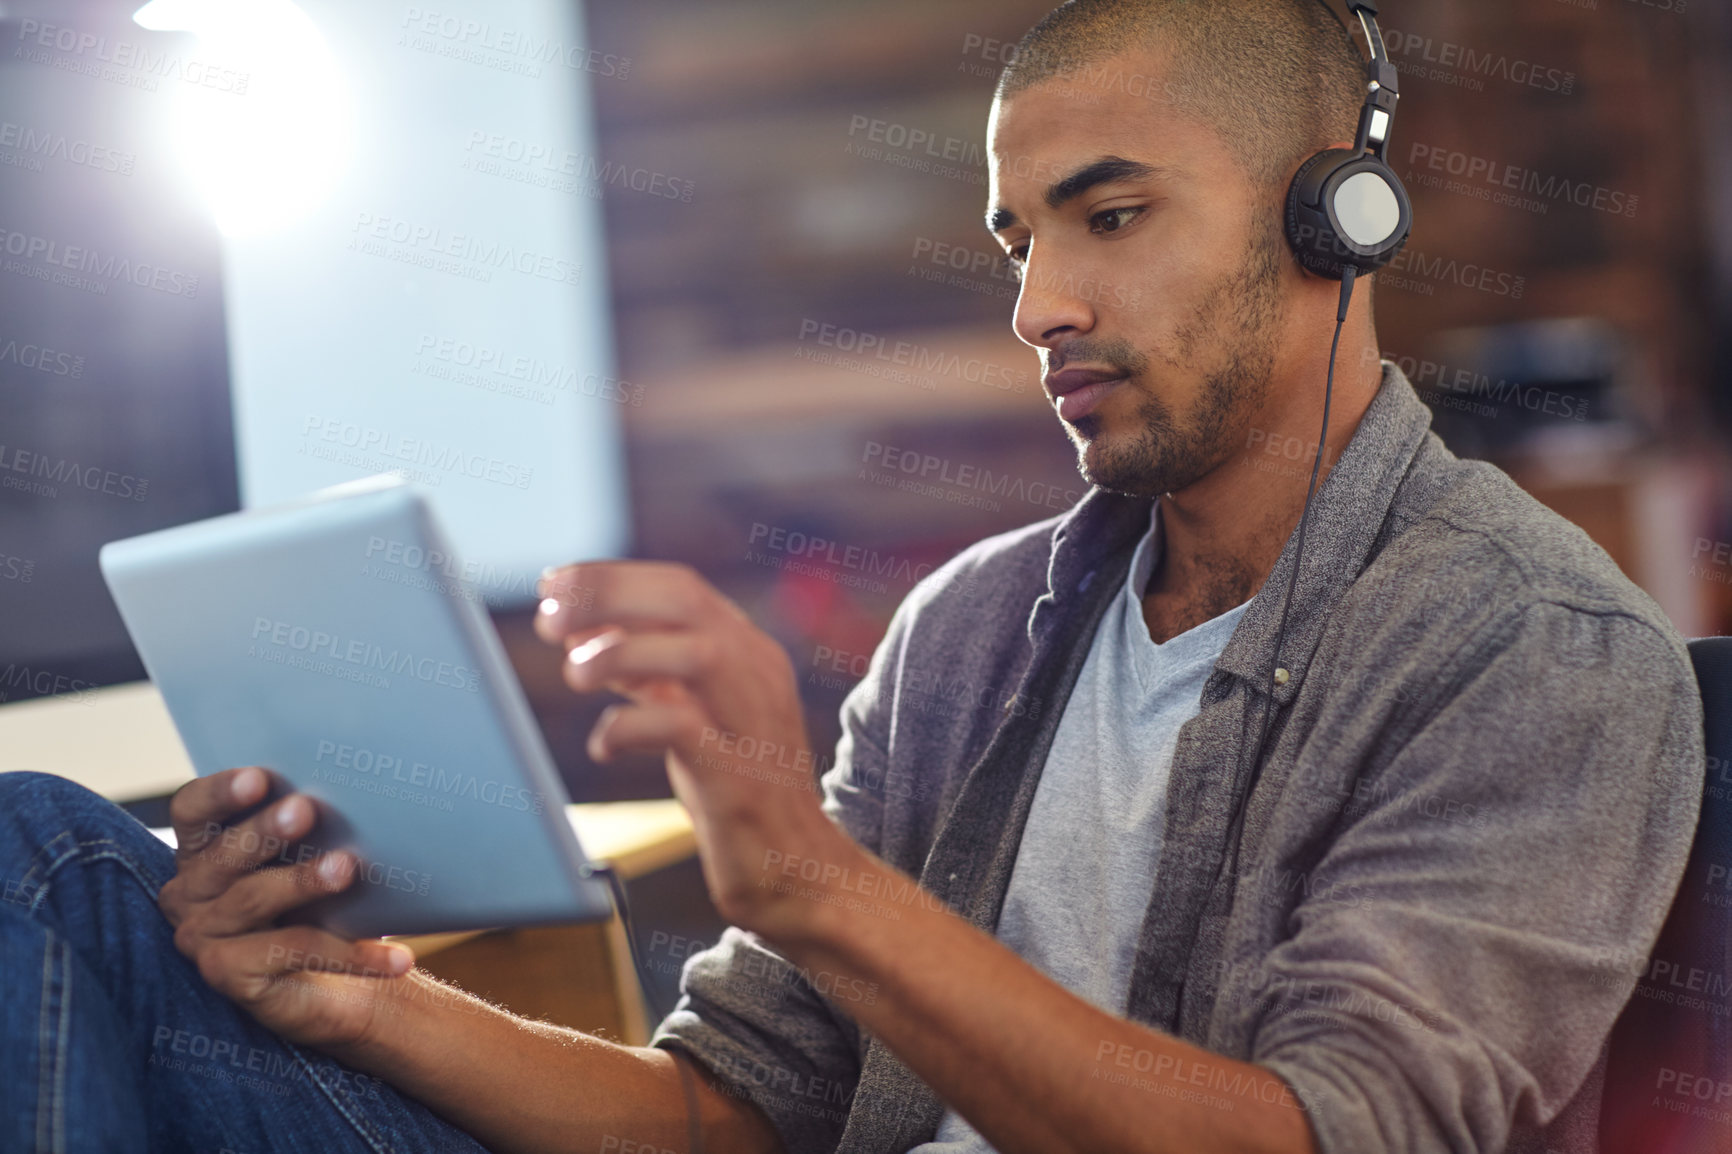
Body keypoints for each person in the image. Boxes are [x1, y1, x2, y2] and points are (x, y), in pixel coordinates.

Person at [0, 1, 1704, 1152]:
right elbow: (725, 1113)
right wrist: (352, 1003)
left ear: (1340, 218)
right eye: (1019, 240)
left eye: (1111, 216)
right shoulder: (970, 630)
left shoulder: (1535, 648)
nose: (1038, 307)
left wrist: (812, 879)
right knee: (56, 862)